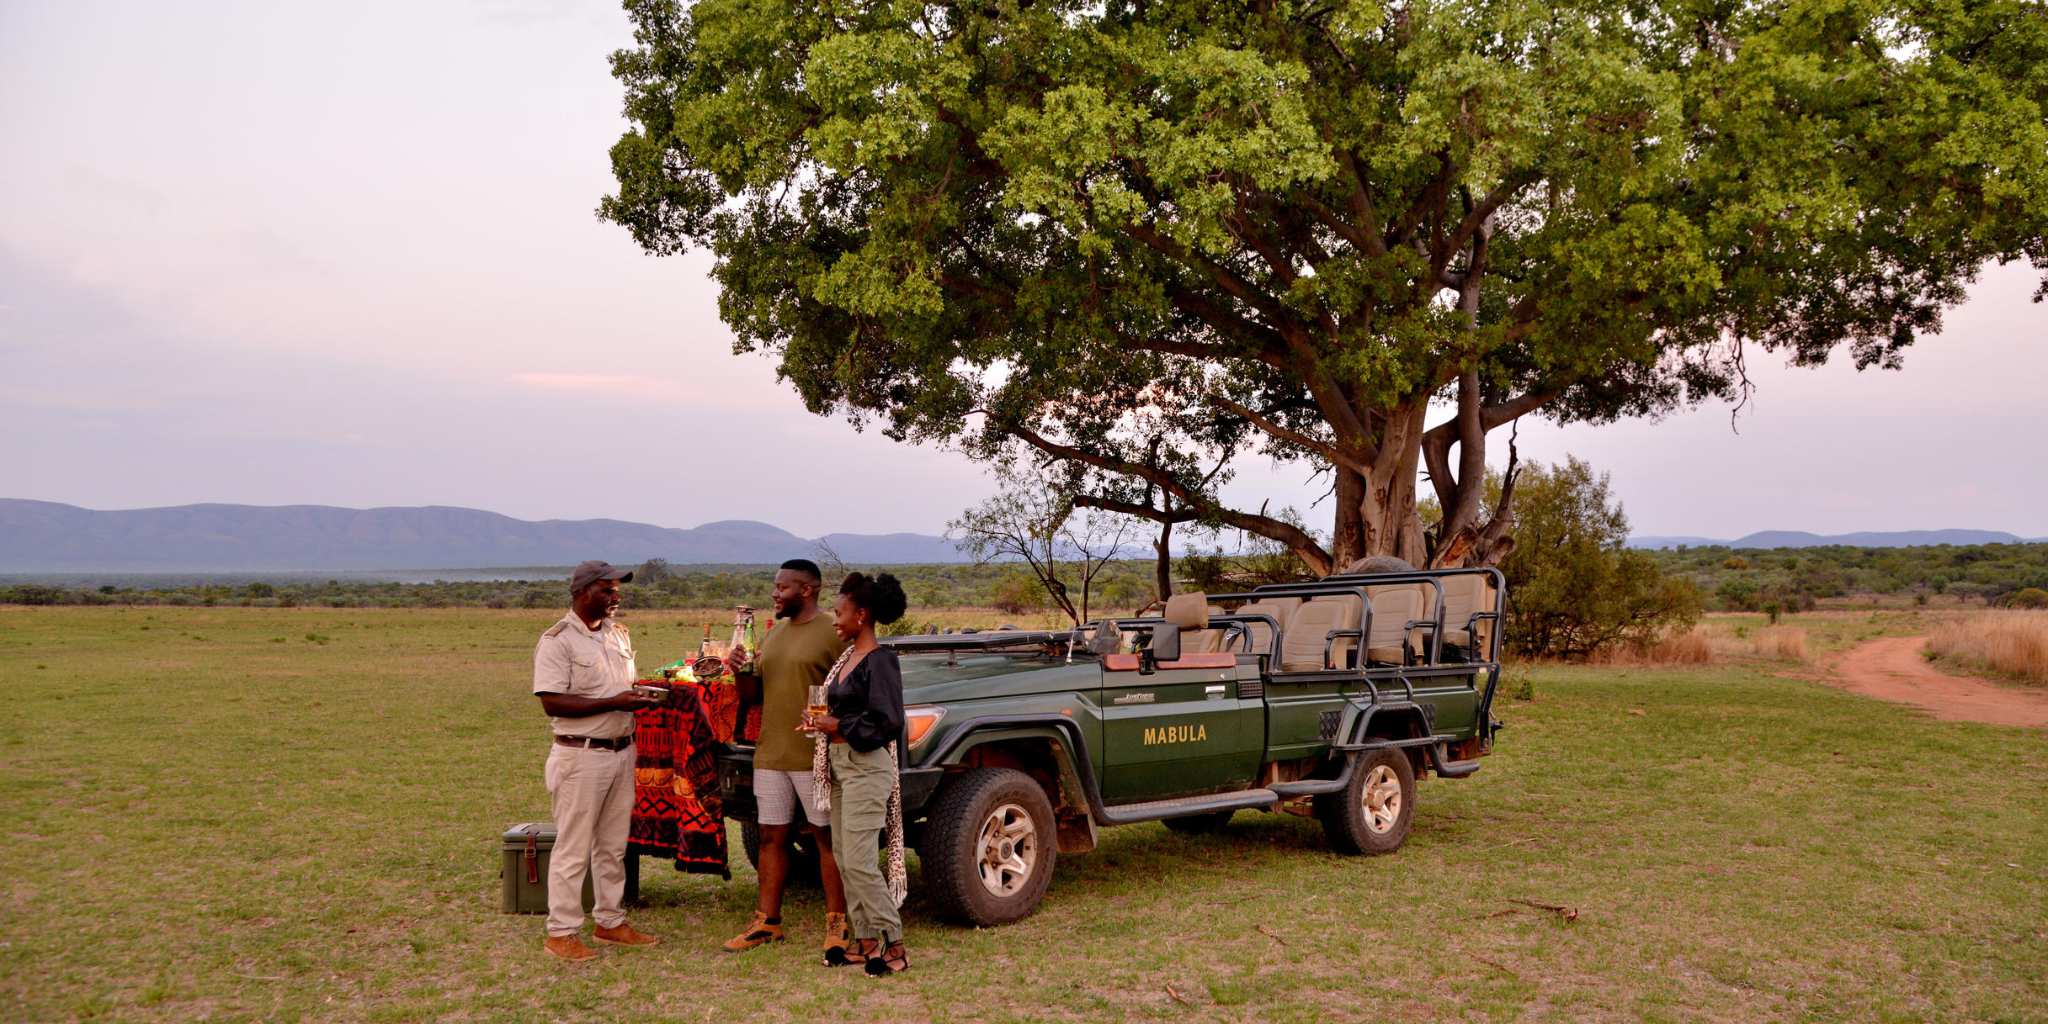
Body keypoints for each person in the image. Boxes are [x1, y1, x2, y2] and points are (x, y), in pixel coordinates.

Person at [531, 560, 664, 962]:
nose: (615, 596)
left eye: (617, 589)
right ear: (581, 592)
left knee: (613, 845)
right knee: (573, 847)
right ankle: (562, 932)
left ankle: (610, 920)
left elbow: (621, 687)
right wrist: (614, 702)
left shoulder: (617, 634)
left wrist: (641, 697)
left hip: (622, 750)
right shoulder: (557, 640)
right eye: (606, 589)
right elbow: (552, 701)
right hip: (580, 754)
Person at [723, 559, 852, 955]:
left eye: (783, 588)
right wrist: (740, 671)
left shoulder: (832, 631)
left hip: (815, 754)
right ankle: (767, 922)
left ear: (807, 590)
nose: (775, 594)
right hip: (771, 753)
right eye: (775, 587)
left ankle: (838, 923)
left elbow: (852, 692)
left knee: (825, 839)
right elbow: (753, 696)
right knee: (770, 837)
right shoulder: (775, 633)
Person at [807, 571, 910, 976]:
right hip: (840, 764)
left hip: (866, 766)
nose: (835, 620)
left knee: (862, 862)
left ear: (861, 615)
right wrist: (821, 722)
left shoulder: (880, 661)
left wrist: (838, 725)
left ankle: (894, 943)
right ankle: (865, 940)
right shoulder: (847, 658)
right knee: (845, 858)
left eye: (839, 613)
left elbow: (889, 722)